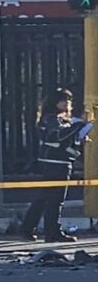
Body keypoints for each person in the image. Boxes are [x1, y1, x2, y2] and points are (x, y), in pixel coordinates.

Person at [19, 88, 87, 243]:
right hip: (56, 163)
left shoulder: (57, 119)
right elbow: (58, 138)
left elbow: (65, 142)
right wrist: (79, 126)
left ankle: (28, 228)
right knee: (55, 199)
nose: (67, 103)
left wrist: (77, 142)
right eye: (64, 100)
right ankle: (52, 231)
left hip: (56, 161)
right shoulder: (52, 120)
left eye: (68, 100)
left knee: (44, 197)